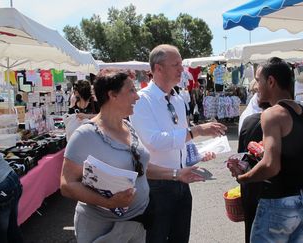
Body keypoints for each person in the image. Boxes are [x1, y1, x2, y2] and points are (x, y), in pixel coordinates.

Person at [60, 70, 205, 243]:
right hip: (105, 228)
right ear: (112, 95)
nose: (137, 97)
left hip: (138, 223)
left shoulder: (128, 126)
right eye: (131, 91)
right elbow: (67, 185)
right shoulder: (85, 134)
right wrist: (108, 203)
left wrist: (177, 174)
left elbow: (139, 167)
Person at [130, 44, 227, 243]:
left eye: (181, 64)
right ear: (158, 68)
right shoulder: (142, 100)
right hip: (156, 185)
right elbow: (154, 141)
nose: (181, 70)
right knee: (156, 238)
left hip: (182, 182)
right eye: (175, 65)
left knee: (180, 238)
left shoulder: (176, 98)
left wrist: (196, 155)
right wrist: (196, 131)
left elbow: (180, 140)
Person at [235, 57, 303, 243]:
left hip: (278, 202)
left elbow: (271, 166)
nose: (256, 86)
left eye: (258, 80)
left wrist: (243, 178)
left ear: (271, 81)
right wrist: (290, 161)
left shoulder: (271, 115)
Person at [228, 97, 271, 243]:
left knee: (253, 233)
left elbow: (241, 159)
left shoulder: (249, 121)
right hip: (281, 194)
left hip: (253, 191)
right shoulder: (298, 119)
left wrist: (241, 177)